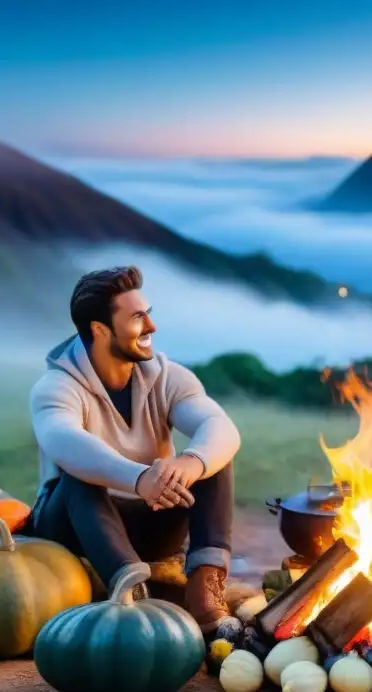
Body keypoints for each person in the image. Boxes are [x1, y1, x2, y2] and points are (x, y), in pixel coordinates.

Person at [28, 265, 241, 634]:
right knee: (79, 475)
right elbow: (64, 441)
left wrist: (190, 463)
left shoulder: (169, 377)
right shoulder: (55, 387)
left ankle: (205, 593)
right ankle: (133, 596)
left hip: (151, 520)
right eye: (137, 318)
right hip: (74, 525)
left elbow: (221, 427)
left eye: (148, 314)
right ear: (100, 329)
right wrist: (139, 477)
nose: (151, 327)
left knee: (212, 459)